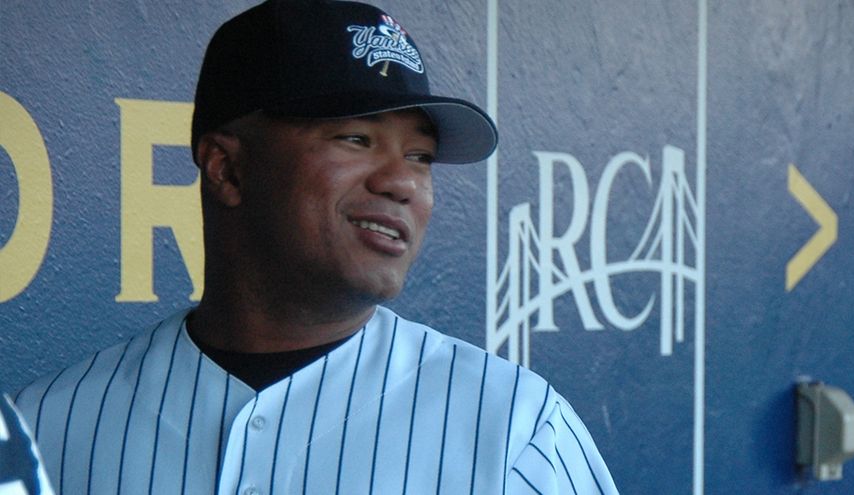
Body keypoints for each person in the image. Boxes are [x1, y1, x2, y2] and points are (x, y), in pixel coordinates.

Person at [16, 1, 618, 493]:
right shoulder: (45, 427)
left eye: (420, 156)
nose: (402, 182)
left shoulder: (514, 430)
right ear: (226, 168)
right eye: (356, 138)